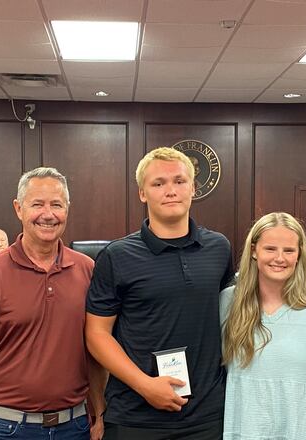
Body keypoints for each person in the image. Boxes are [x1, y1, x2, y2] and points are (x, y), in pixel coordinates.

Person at [85, 147, 234, 440]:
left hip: (206, 417)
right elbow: (96, 335)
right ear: (143, 193)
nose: (171, 190)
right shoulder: (117, 256)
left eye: (179, 181)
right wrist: (144, 385)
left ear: (193, 188)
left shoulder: (219, 248)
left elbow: (228, 317)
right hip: (135, 417)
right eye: (158, 183)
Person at [0, 167, 106, 440]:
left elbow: (95, 354)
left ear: (67, 209)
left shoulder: (88, 269)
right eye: (37, 204)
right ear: (18, 209)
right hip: (6, 429)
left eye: (57, 205)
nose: (48, 214)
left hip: (76, 427)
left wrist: (100, 414)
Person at [220, 212, 306, 440]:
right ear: (254, 251)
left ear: (299, 255)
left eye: (289, 250)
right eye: (270, 249)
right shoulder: (229, 302)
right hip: (245, 432)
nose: (280, 258)